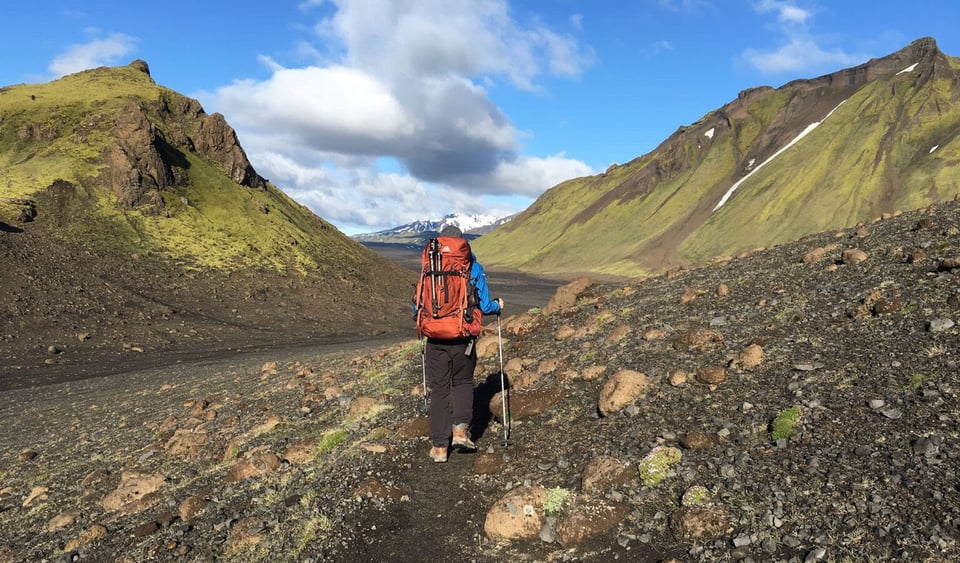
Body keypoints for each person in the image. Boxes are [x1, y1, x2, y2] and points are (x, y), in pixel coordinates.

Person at [422, 225, 503, 463]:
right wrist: (498, 305)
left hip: (434, 338)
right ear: (463, 244)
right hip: (463, 337)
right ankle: (460, 433)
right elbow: (486, 305)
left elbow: (418, 305)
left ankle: (439, 448)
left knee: (439, 389)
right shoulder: (472, 267)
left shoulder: (430, 266)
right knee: (463, 382)